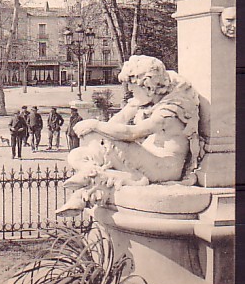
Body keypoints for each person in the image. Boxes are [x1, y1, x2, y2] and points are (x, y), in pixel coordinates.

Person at [57, 55, 201, 216]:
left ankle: (91, 186)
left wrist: (95, 125)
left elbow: (132, 133)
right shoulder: (148, 99)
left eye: (132, 86)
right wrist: (96, 129)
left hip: (164, 167)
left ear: (148, 86)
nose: (129, 90)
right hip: (148, 159)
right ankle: (91, 177)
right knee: (76, 154)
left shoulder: (170, 109)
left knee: (109, 139)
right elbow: (116, 122)